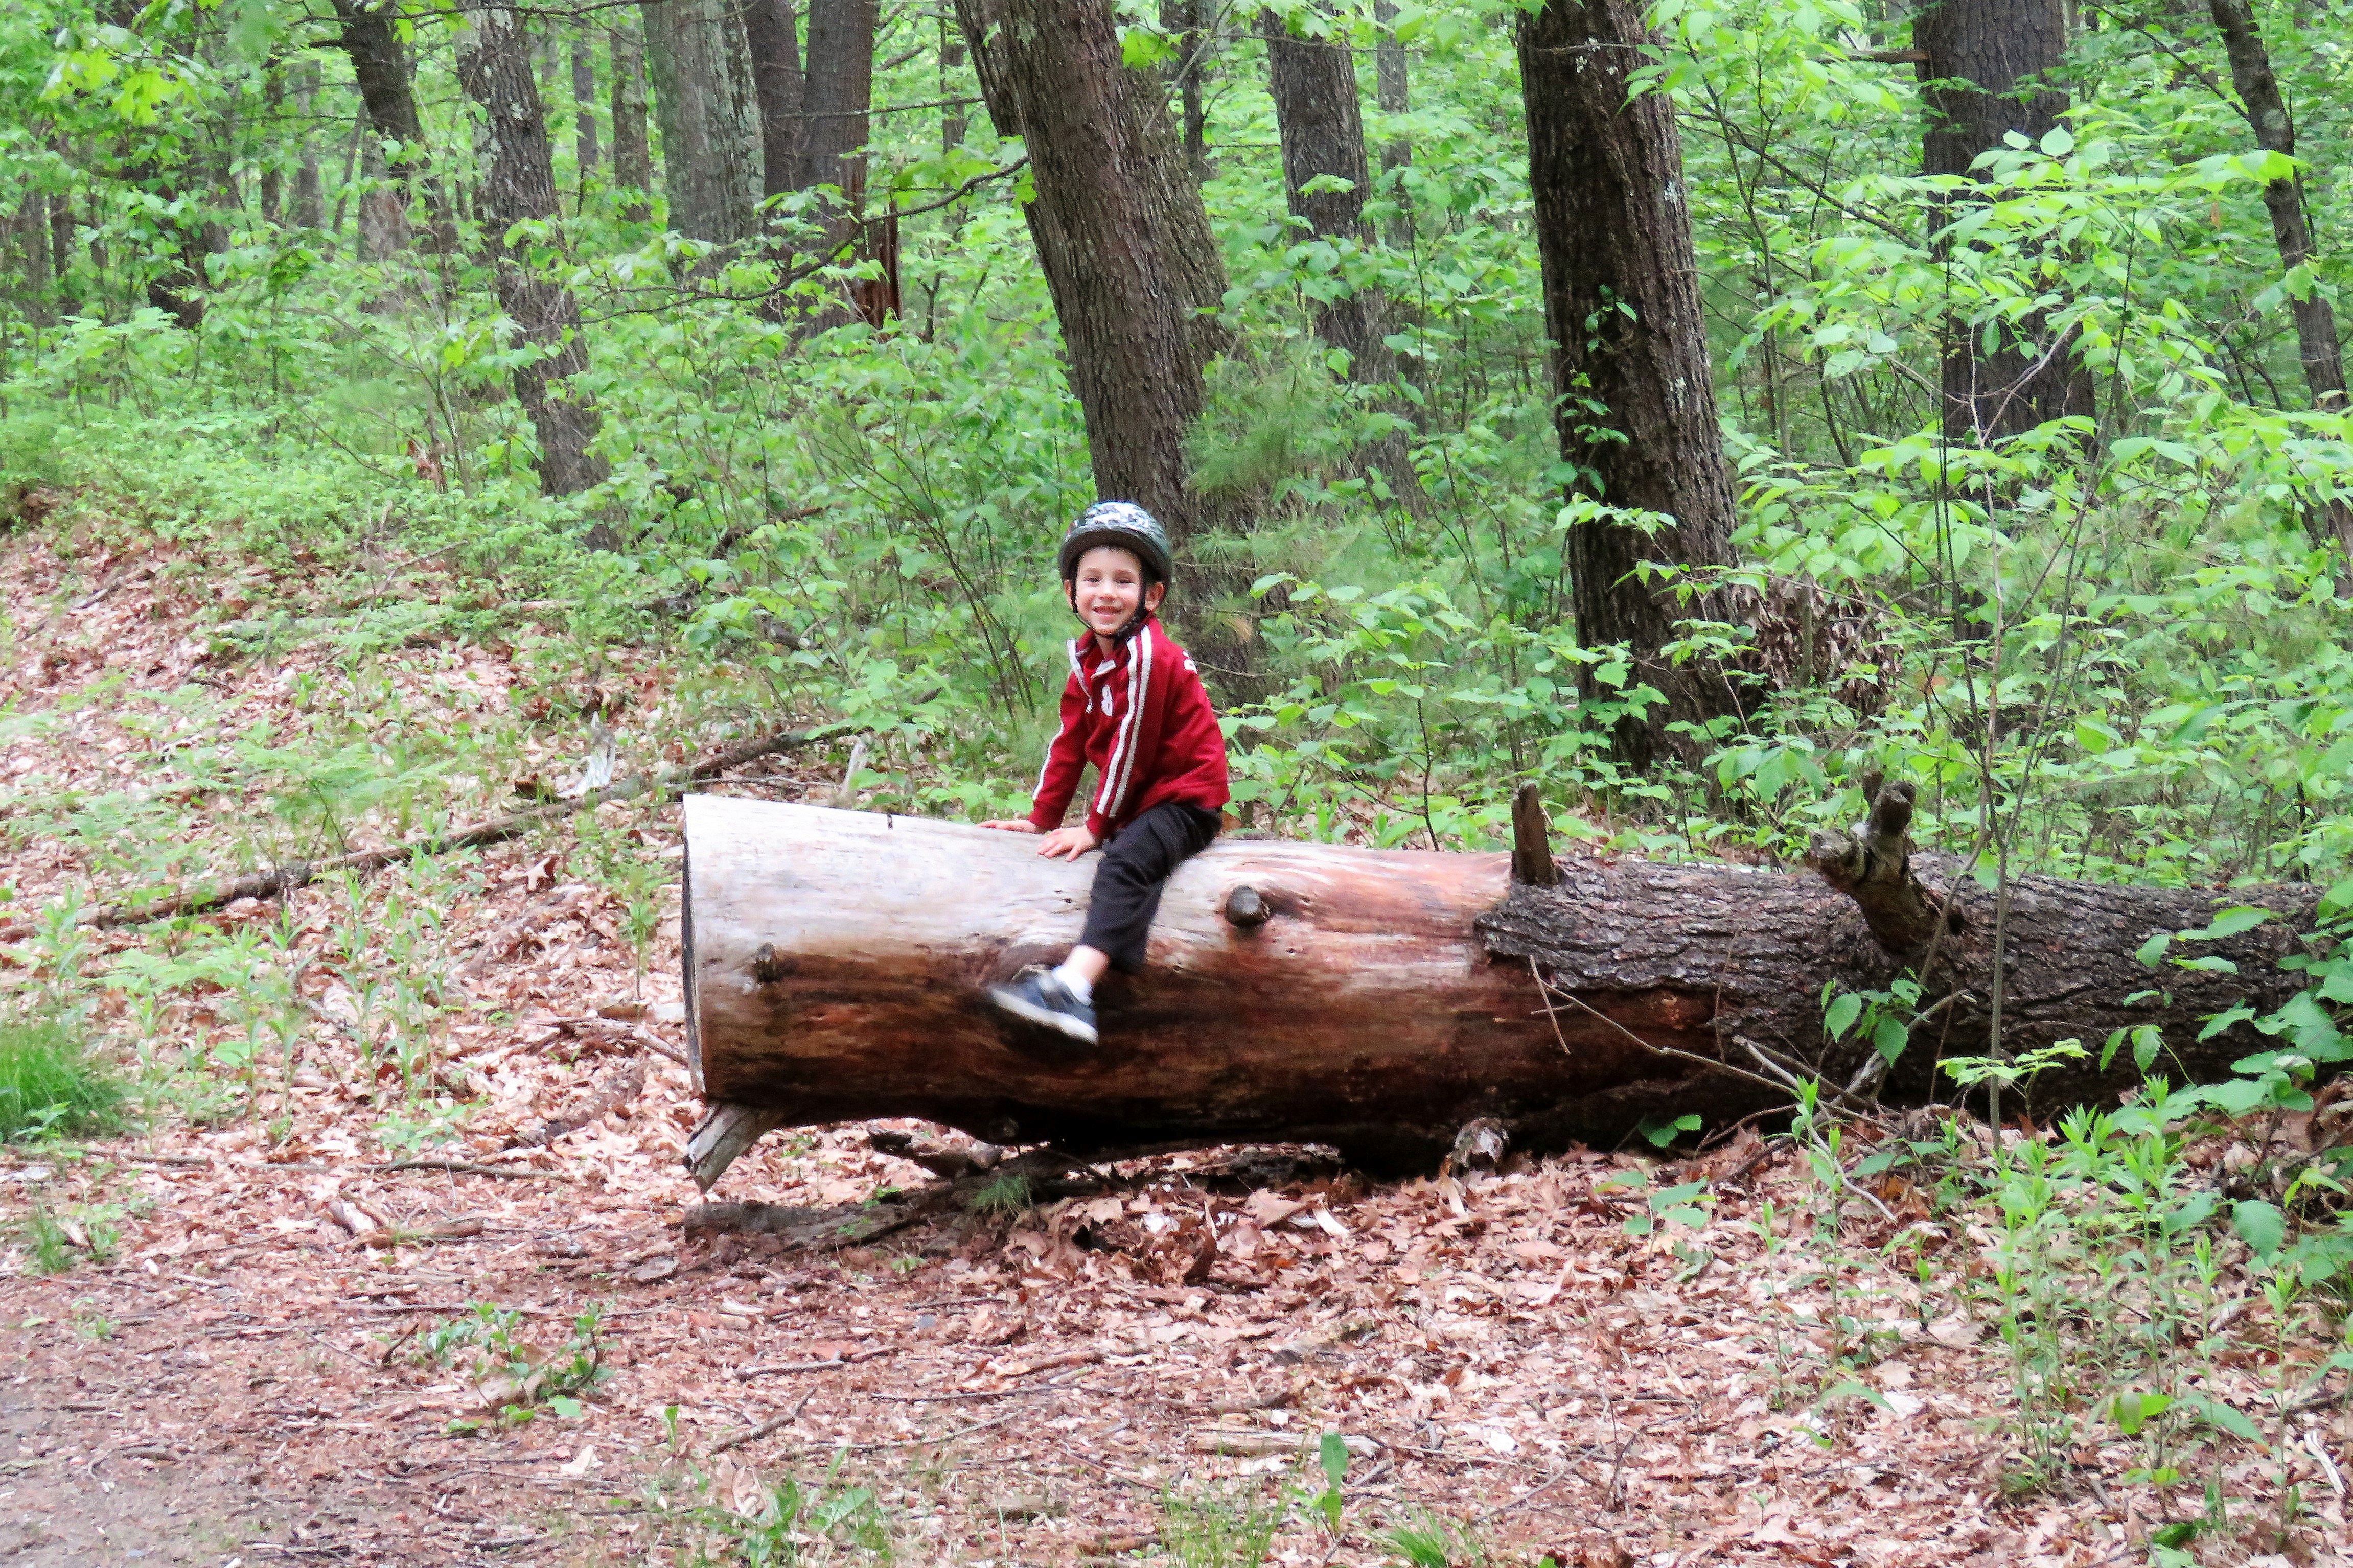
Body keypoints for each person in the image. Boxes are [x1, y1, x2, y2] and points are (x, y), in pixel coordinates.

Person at [979, 502, 1230, 1046]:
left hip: (1185, 799)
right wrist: (1042, 817)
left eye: (1123, 581)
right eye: (1092, 580)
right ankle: (1108, 976)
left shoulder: (1147, 658)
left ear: (1151, 596)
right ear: (1071, 592)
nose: (1107, 593)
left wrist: (1096, 827)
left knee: (1125, 863)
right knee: (1126, 851)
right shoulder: (1091, 659)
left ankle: (1072, 988)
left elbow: (1130, 752)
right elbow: (1070, 742)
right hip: (1147, 797)